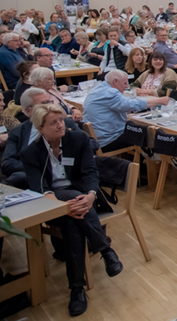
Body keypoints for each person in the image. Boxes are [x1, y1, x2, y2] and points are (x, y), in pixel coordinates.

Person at [21, 103, 124, 316]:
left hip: (83, 198)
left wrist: (90, 195)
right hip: (52, 204)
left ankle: (77, 289)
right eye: (54, 123)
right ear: (40, 128)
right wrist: (62, 206)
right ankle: (105, 249)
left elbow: (90, 173)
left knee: (72, 223)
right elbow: (40, 188)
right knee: (69, 202)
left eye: (61, 120)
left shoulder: (77, 140)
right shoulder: (31, 153)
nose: (61, 125)